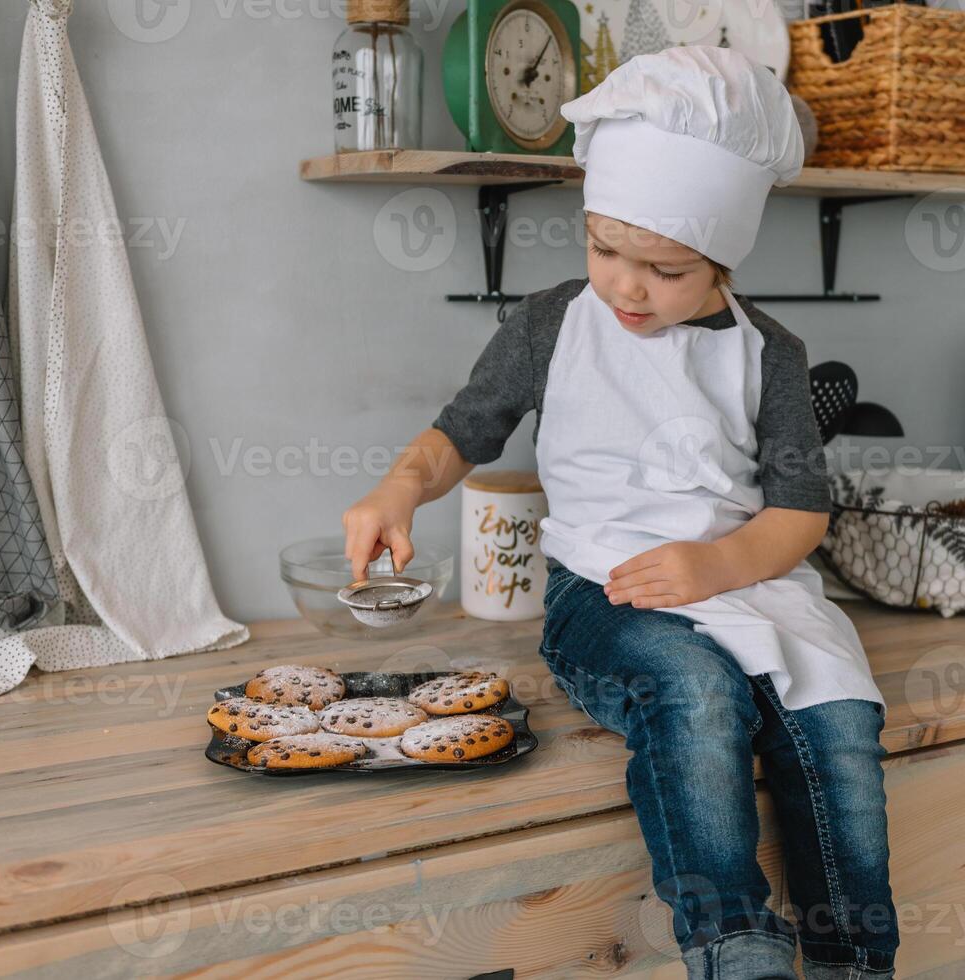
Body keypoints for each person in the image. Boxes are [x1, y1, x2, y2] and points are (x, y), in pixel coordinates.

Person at [342, 46, 897, 979]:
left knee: (838, 723)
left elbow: (800, 516)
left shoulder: (776, 355)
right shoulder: (550, 324)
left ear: (723, 258)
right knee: (694, 694)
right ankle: (733, 946)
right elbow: (460, 433)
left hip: (752, 582)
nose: (628, 287)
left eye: (666, 269)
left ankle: (854, 956)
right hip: (606, 593)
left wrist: (715, 567)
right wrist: (399, 487)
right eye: (604, 249)